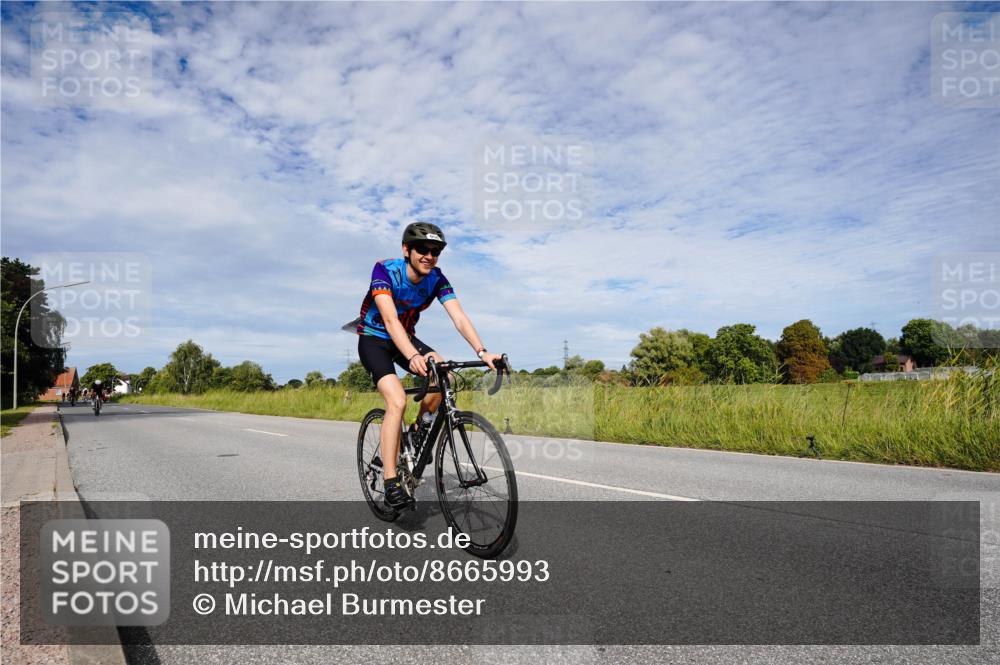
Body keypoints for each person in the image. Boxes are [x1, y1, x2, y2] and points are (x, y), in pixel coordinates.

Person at [355, 222, 501, 509]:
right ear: (406, 250)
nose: (429, 256)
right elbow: (389, 320)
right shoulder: (385, 270)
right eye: (423, 249)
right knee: (396, 399)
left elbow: (459, 317)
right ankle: (391, 480)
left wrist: (483, 351)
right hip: (375, 340)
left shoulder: (436, 278)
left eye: (435, 251)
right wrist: (411, 355)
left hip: (405, 339)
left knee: (442, 368)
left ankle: (420, 427)